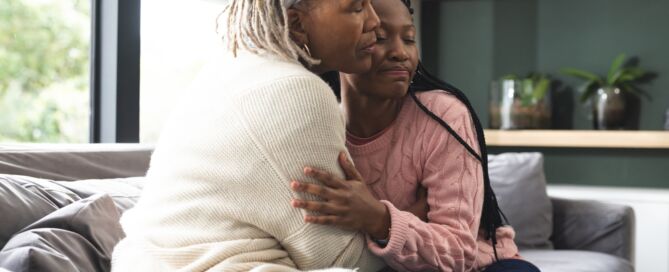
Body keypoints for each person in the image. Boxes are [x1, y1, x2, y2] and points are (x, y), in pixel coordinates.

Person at [111, 0, 388, 271]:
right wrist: (390, 221)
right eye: (357, 7)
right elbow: (340, 258)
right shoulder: (296, 91)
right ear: (296, 23)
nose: (375, 21)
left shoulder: (228, 69)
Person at [290, 0, 541, 271]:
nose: (400, 52)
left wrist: (377, 218)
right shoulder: (319, 127)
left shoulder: (443, 114)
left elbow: (458, 252)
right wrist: (412, 216)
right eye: (380, 37)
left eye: (409, 39)